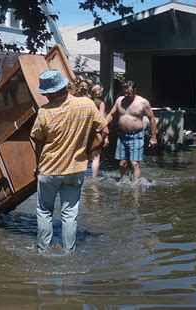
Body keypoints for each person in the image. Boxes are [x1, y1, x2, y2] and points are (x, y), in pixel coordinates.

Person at [30, 70, 108, 253]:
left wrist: (38, 166)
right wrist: (89, 150)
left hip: (49, 169)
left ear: (50, 92)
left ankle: (42, 251)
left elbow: (37, 141)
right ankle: (69, 252)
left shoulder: (44, 112)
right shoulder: (87, 104)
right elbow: (104, 131)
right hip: (75, 169)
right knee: (69, 215)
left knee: (44, 212)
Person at [106, 80, 157, 183]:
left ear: (135, 90)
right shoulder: (119, 100)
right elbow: (111, 115)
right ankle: (124, 182)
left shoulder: (143, 102)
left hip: (136, 135)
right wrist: (104, 128)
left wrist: (153, 137)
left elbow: (152, 119)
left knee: (134, 163)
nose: (126, 95)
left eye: (129, 93)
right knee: (122, 164)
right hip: (122, 135)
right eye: (125, 92)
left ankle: (135, 187)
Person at [89, 83, 109, 178]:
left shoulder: (85, 101)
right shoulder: (100, 103)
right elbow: (101, 120)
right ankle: (93, 179)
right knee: (96, 157)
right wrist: (105, 137)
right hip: (95, 132)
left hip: (85, 131)